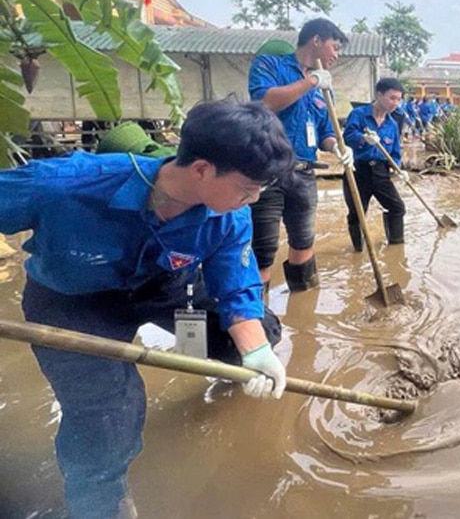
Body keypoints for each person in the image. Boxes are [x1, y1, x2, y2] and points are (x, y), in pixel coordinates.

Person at [0, 99, 295, 518]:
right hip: (72, 302)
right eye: (248, 188)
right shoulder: (64, 184)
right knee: (108, 412)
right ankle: (102, 503)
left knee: (255, 335)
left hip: (167, 286)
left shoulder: (228, 217)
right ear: (202, 169)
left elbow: (236, 288)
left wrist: (256, 353)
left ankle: (230, 372)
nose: (254, 199)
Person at [247, 18, 352, 293]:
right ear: (316, 40)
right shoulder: (271, 65)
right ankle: (256, 319)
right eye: (335, 47)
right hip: (267, 171)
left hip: (304, 174)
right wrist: (311, 81)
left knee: (304, 241)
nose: (336, 55)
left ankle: (303, 315)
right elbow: (265, 102)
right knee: (263, 249)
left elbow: (325, 131)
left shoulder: (324, 88)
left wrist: (338, 148)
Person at [342, 78, 408, 249]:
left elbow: (394, 153)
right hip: (357, 171)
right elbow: (347, 138)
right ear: (379, 95)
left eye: (399, 99)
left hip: (380, 172)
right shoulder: (359, 114)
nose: (396, 103)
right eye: (392, 98)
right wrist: (362, 138)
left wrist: (398, 169)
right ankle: (358, 250)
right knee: (357, 214)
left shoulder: (392, 124)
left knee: (397, 207)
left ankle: (395, 247)